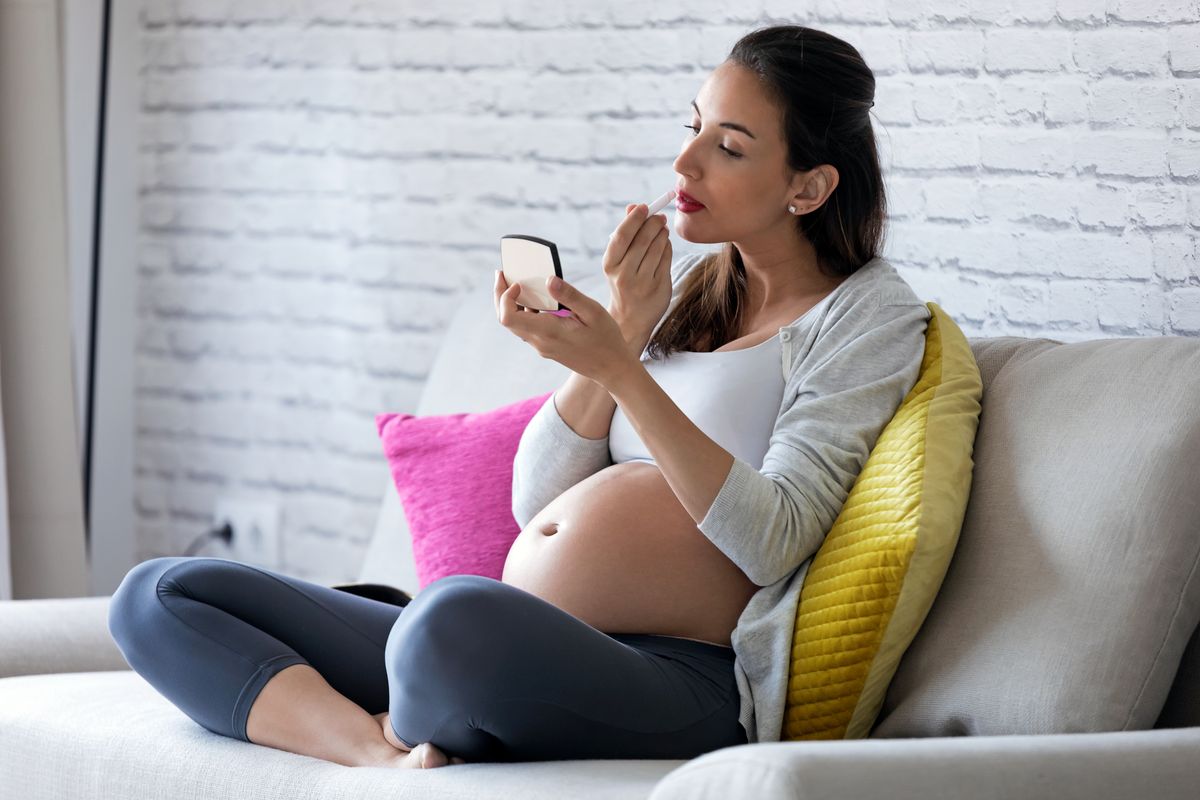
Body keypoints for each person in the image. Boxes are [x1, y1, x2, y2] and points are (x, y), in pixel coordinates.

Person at [107, 24, 928, 769]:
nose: (685, 164)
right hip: (516, 634)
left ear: (810, 188)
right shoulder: (686, 294)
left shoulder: (867, 317)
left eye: (730, 146)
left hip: (679, 677)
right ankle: (373, 750)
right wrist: (625, 329)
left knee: (445, 625)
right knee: (158, 595)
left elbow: (775, 538)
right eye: (692, 127)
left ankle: (412, 707)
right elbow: (536, 499)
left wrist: (622, 367)